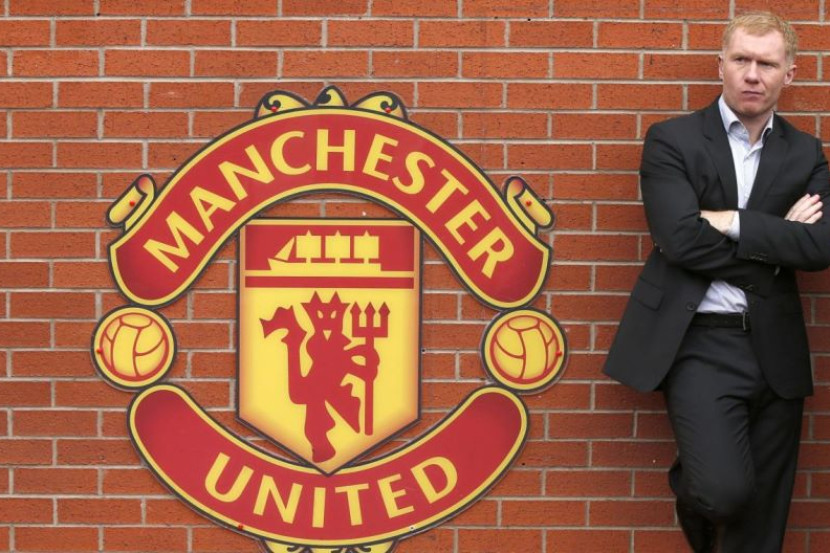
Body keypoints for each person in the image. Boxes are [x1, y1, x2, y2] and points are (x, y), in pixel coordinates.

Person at [603, 12, 830, 553]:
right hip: (699, 342)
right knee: (723, 491)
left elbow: (820, 247)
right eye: (741, 59)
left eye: (766, 64)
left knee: (764, 516)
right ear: (720, 65)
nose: (752, 74)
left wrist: (730, 221)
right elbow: (679, 239)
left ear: (789, 74)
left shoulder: (805, 153)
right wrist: (776, 244)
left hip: (776, 345)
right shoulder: (673, 140)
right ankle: (698, 483)